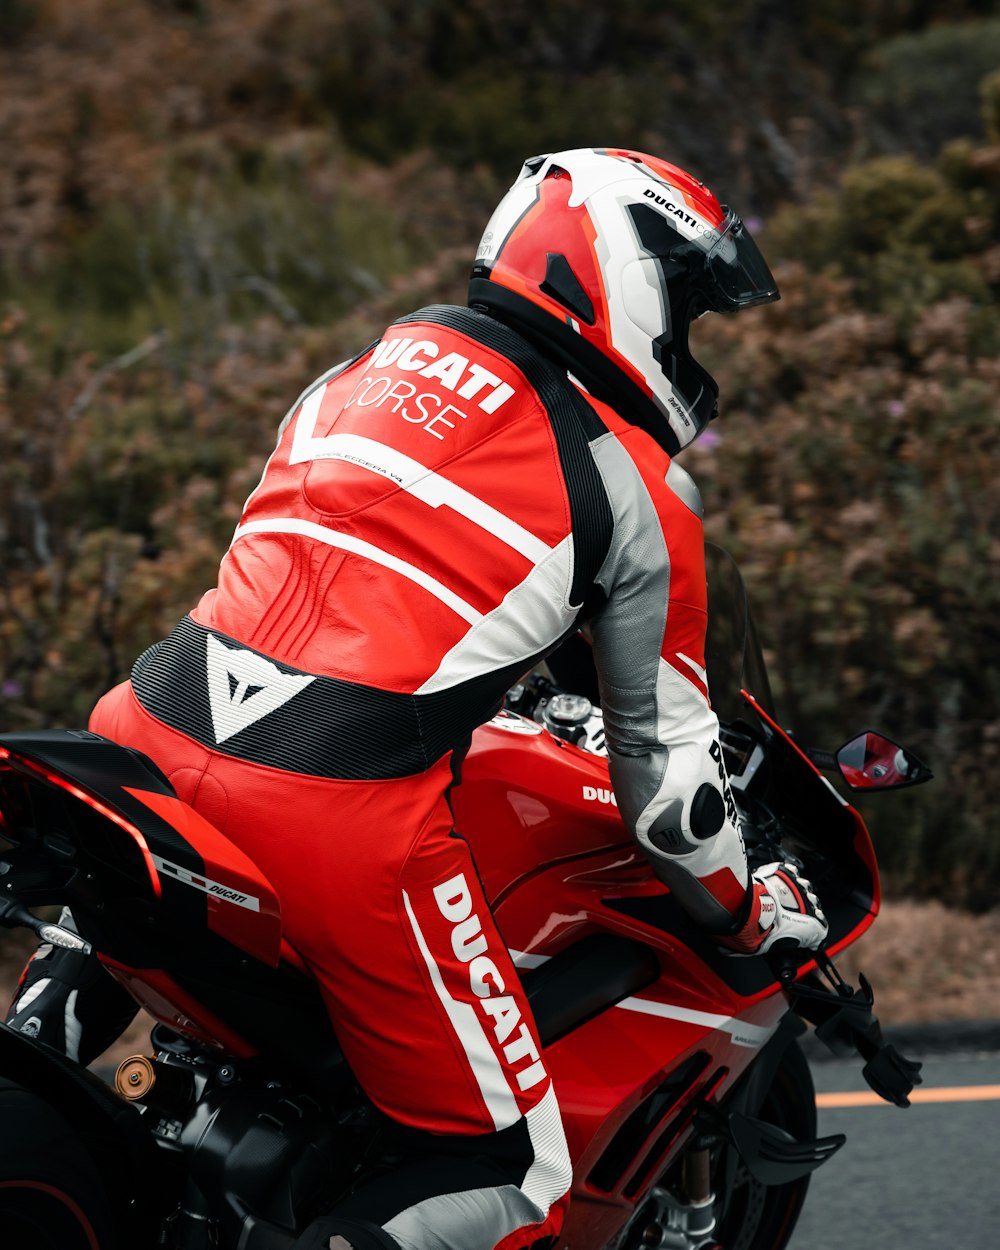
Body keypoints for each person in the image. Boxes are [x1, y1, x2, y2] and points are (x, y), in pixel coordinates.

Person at [6, 148, 827, 1250]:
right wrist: (752, 906)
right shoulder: (635, 484)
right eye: (685, 308)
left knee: (93, 976)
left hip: (145, 727)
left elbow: (355, 590)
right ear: (616, 276)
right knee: (510, 1171)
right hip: (334, 819)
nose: (686, 345)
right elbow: (670, 802)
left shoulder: (358, 370)